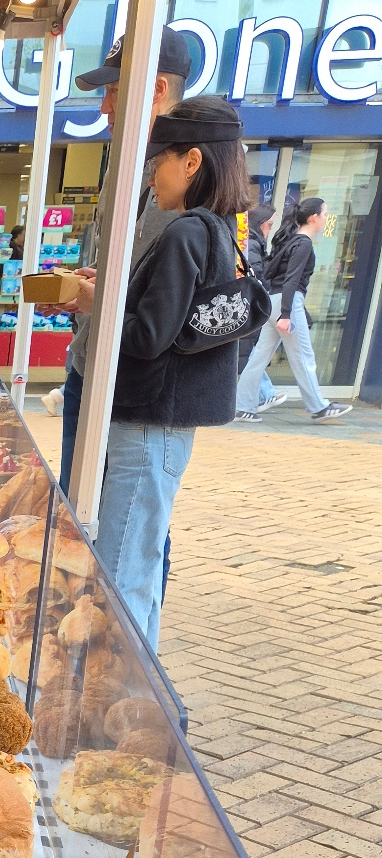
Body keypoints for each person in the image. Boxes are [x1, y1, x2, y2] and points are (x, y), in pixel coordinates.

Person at [96, 97, 251, 652]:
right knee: (139, 565)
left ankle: (120, 690)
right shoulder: (220, 231)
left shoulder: (187, 232)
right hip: (166, 427)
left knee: (120, 573)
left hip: (148, 423)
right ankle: (141, 686)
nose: (151, 176)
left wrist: (99, 303)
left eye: (158, 162)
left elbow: (148, 336)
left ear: (191, 161)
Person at [59, 27, 192, 491]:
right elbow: (140, 269)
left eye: (114, 91)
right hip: (89, 363)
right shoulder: (123, 161)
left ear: (156, 88)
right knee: (77, 505)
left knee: (128, 520)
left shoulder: (192, 175)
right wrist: (97, 284)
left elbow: (179, 302)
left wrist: (107, 300)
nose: (104, 107)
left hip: (138, 387)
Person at [234, 197, 350, 423]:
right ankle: (319, 407)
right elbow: (292, 280)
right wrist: (286, 314)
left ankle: (243, 406)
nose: (326, 218)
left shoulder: (290, 241)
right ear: (313, 218)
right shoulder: (303, 244)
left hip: (273, 301)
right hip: (288, 303)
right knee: (303, 356)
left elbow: (271, 273)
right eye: (325, 214)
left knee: (259, 358)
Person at [235, 203, 287, 412]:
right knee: (249, 354)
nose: (270, 229)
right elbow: (257, 277)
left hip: (248, 304)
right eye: (269, 224)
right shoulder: (252, 244)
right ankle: (263, 395)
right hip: (251, 305)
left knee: (249, 353)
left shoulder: (251, 242)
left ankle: (263, 394)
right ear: (259, 223)